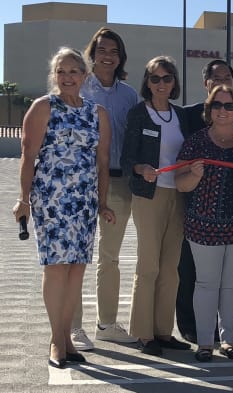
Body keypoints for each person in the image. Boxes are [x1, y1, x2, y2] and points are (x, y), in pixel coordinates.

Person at [13, 47, 115, 368]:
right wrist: (23, 199)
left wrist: (102, 202)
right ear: (54, 76)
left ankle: (68, 338)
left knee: (76, 271)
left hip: (83, 203)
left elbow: (103, 162)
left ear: (85, 76)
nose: (67, 77)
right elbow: (28, 157)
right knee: (56, 269)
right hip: (52, 201)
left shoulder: (97, 113)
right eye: (61, 72)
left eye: (74, 71)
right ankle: (57, 340)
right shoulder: (43, 107)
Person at [175, 85, 233, 362]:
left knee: (231, 285)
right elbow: (180, 184)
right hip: (203, 226)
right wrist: (194, 175)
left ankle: (228, 341)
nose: (223, 111)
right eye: (217, 105)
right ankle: (205, 343)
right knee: (205, 284)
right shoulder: (196, 141)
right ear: (209, 109)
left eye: (229, 106)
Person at [67, 27, 138, 351]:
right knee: (78, 255)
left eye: (114, 51)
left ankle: (107, 324)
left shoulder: (129, 95)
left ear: (120, 56)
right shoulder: (79, 89)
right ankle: (73, 327)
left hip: (120, 182)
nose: (108, 56)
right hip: (83, 182)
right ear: (92, 54)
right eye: (102, 50)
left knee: (109, 257)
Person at [121, 56, 191, 356]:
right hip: (149, 196)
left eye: (166, 78)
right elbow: (126, 159)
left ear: (174, 82)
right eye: (154, 78)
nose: (161, 84)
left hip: (178, 195)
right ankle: (143, 333)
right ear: (146, 83)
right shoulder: (139, 113)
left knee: (170, 268)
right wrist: (140, 169)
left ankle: (164, 331)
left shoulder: (181, 116)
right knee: (148, 266)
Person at [176, 59, 233, 344]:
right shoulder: (186, 116)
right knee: (190, 269)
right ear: (205, 83)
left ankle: (222, 331)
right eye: (215, 77)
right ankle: (191, 325)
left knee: (223, 277)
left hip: (230, 208)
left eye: (227, 77)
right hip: (193, 203)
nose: (221, 81)